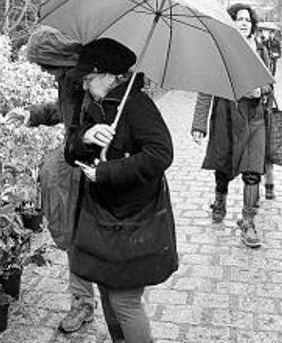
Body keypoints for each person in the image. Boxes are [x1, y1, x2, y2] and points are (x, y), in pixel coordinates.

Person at [64, 38, 175, 343]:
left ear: (110, 76)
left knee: (125, 300)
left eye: (88, 79)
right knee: (106, 288)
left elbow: (161, 154)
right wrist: (86, 137)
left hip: (133, 219)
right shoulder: (95, 105)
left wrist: (106, 173)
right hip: (100, 216)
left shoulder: (138, 105)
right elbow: (69, 150)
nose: (85, 87)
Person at [6, 26, 95, 334]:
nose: (43, 71)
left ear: (59, 57)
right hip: (75, 161)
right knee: (75, 233)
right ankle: (82, 302)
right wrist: (32, 114)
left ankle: (117, 307)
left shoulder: (90, 78)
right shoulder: (67, 77)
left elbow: (95, 121)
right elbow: (64, 111)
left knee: (93, 235)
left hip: (97, 169)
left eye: (45, 64)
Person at [191, 3, 275, 248]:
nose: (244, 22)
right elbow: (207, 87)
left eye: (248, 19)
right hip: (226, 113)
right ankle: (220, 200)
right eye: (238, 18)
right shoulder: (220, 50)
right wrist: (199, 124)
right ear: (231, 22)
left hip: (254, 116)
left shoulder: (260, 49)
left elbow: (270, 82)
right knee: (223, 163)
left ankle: (248, 222)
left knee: (252, 169)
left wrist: (261, 89)